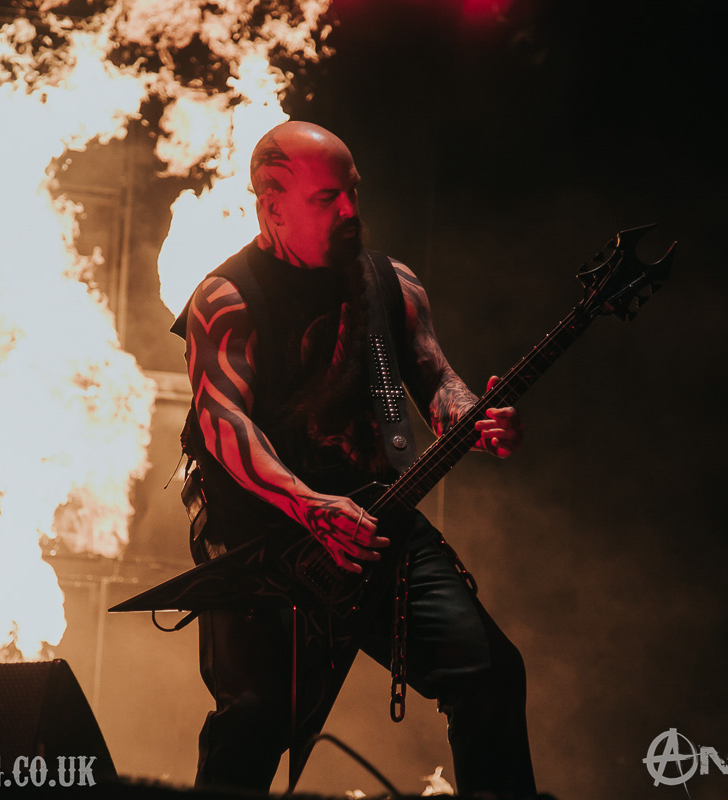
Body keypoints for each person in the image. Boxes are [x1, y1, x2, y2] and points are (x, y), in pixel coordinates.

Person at [174, 121, 536, 796]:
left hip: (379, 523)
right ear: (272, 206)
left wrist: (472, 417)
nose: (349, 211)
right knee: (252, 722)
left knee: (489, 672)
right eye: (327, 198)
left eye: (353, 192)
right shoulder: (226, 298)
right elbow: (224, 424)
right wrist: (309, 505)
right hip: (268, 544)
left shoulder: (390, 283)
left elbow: (434, 377)